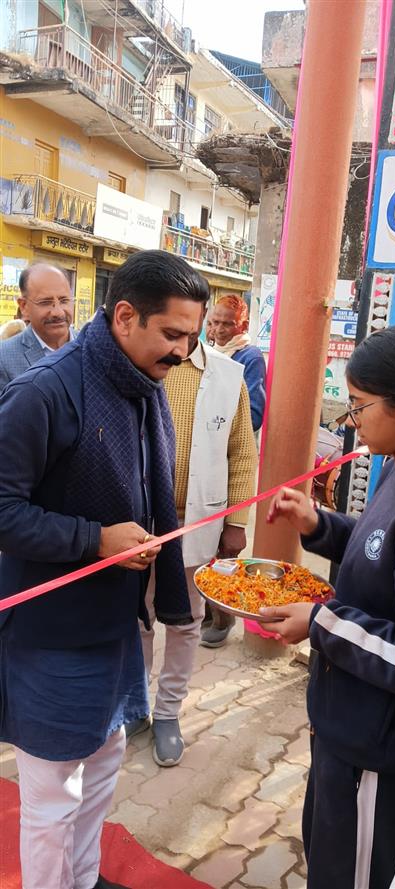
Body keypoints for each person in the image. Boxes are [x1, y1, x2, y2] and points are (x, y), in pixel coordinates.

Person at [0, 249, 208, 889]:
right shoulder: (43, 392)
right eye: (171, 334)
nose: (182, 352)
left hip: (115, 622)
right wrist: (95, 540)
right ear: (124, 317)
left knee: (106, 760)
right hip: (50, 631)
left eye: (191, 338)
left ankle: (84, 879)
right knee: (53, 793)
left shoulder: (140, 384)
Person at [261, 325, 395, 889]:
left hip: (378, 747)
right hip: (345, 720)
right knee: (326, 853)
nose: (351, 420)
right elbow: (376, 551)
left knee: (353, 872)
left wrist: (319, 623)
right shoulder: (394, 464)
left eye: (360, 404)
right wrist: (318, 524)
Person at [129, 309, 257, 765]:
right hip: (137, 523)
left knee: (185, 621)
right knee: (138, 617)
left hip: (196, 523)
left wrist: (237, 522)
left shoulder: (228, 375)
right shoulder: (138, 362)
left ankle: (168, 713)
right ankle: (135, 705)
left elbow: (242, 453)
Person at [0, 262, 75, 394]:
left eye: (64, 300)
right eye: (45, 302)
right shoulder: (3, 358)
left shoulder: (91, 347)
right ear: (24, 306)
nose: (58, 312)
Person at [212, 294, 266, 432]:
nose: (219, 330)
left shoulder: (250, 357)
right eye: (216, 322)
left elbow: (253, 417)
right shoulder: (209, 352)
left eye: (227, 324)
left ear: (244, 326)